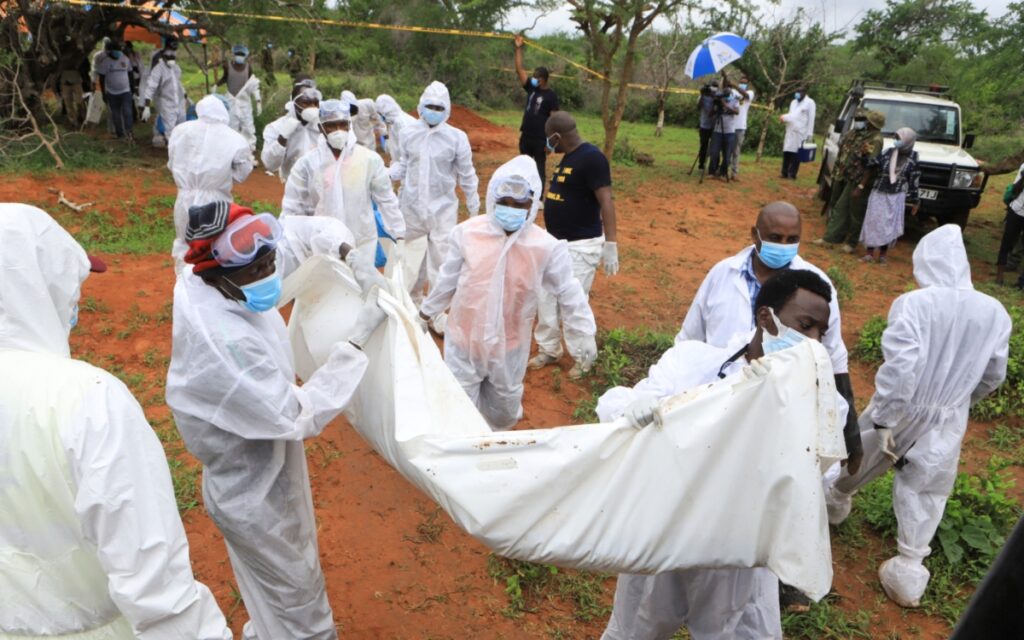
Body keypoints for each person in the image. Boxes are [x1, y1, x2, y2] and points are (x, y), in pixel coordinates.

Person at [0, 204, 232, 639]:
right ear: (38, 285)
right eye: (71, 284)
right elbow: (155, 586)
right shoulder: (85, 398)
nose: (77, 300)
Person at [166, 201, 388, 640]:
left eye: (270, 261)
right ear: (217, 274)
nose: (270, 273)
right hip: (254, 492)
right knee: (299, 600)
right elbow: (295, 414)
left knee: (268, 592)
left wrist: (350, 254)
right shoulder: (224, 341)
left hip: (261, 465)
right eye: (258, 269)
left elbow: (301, 232)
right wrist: (356, 342)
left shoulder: (224, 276)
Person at [599, 269, 841, 640]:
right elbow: (624, 405)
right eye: (805, 326)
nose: (813, 341)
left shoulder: (818, 397)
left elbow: (821, 475)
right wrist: (632, 410)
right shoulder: (694, 364)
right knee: (638, 627)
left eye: (820, 332)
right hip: (667, 527)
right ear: (766, 318)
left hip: (740, 548)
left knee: (740, 629)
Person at [825, 224, 1010, 609]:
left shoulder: (914, 304)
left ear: (925, 262)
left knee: (858, 457)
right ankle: (909, 570)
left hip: (905, 405)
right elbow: (994, 375)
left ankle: (831, 507)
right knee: (928, 483)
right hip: (950, 411)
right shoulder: (995, 312)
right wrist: (959, 401)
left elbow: (902, 367)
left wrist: (886, 418)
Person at [677, 201, 862, 470]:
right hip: (716, 401)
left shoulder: (816, 288)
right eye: (775, 237)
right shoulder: (722, 274)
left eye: (792, 239)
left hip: (782, 409)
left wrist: (850, 432)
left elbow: (833, 358)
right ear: (755, 235)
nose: (783, 245)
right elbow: (689, 340)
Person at [418, 155, 597, 430]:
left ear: (532, 204)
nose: (511, 209)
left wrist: (584, 331)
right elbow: (447, 280)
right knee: (459, 408)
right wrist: (426, 313)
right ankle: (464, 447)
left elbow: (568, 290)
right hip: (465, 339)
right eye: (505, 202)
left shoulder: (545, 247)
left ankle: (495, 441)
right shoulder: (467, 234)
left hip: (509, 345)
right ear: (493, 198)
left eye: (519, 204)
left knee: (503, 410)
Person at [529, 111, 618, 379]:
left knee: (572, 303)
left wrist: (611, 243)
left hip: (581, 245)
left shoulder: (592, 158)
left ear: (557, 136)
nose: (548, 144)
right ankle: (549, 348)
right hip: (556, 244)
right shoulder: (569, 158)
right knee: (546, 298)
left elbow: (606, 200)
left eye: (549, 139)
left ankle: (583, 357)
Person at [282, 99, 405, 265]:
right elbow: (292, 208)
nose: (338, 131)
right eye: (331, 126)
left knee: (360, 280)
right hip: (322, 244)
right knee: (326, 280)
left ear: (349, 125)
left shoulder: (369, 160)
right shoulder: (307, 164)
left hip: (361, 242)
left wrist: (399, 234)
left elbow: (386, 199)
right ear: (321, 128)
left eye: (342, 125)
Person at [390, 80, 480, 304]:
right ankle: (410, 302)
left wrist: (473, 205)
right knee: (410, 259)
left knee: (441, 261)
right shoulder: (408, 133)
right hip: (411, 207)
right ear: (421, 107)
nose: (433, 111)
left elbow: (466, 173)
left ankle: (436, 309)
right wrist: (385, 175)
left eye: (439, 108)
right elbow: (403, 164)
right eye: (429, 106)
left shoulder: (456, 138)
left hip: (442, 209)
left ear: (447, 110)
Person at [167, 94, 253, 267]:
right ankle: (208, 280)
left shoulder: (180, 131)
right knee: (215, 247)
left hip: (184, 197)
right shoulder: (235, 138)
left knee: (184, 245)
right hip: (217, 201)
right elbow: (241, 174)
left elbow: (172, 162)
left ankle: (183, 280)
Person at [817, 108, 886, 252]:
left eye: (868, 121)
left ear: (872, 123)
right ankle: (830, 238)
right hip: (853, 178)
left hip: (861, 182)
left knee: (856, 214)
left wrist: (861, 186)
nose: (865, 122)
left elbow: (870, 166)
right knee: (840, 208)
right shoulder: (866, 135)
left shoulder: (876, 140)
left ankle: (851, 244)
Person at [860, 127, 920, 263]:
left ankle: (882, 255)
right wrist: (864, 155)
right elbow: (871, 164)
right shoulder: (888, 152)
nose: (896, 141)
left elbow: (914, 180)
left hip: (896, 196)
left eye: (899, 139)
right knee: (873, 221)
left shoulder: (914, 158)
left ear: (908, 141)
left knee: (888, 225)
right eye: (896, 138)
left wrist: (915, 200)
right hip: (879, 192)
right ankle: (869, 253)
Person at [513, 34, 559, 187]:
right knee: (524, 168)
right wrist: (518, 48)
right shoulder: (531, 88)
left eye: (536, 77)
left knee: (539, 170)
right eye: (533, 76)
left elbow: (554, 120)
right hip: (526, 136)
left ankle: (538, 197)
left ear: (543, 79)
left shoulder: (551, 96)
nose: (533, 79)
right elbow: (519, 70)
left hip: (540, 140)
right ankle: (524, 193)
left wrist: (551, 143)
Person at [262, 82, 322, 183]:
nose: (312, 107)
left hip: (321, 183)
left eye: (315, 103)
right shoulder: (276, 127)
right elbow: (270, 164)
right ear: (294, 103)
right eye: (306, 103)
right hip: (293, 184)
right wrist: (282, 138)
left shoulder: (324, 126)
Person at [217, 43, 262, 155]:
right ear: (234, 54)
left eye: (242, 55)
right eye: (238, 54)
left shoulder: (248, 68)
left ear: (245, 56)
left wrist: (258, 100)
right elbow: (225, 78)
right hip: (231, 100)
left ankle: (249, 151)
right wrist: (216, 85)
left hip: (244, 102)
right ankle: (232, 151)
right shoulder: (227, 66)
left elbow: (253, 84)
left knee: (248, 126)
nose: (239, 57)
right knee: (232, 126)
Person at [142, 43, 186, 148]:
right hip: (166, 104)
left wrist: (184, 94)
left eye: (173, 57)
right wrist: (147, 106)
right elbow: (151, 87)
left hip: (179, 102)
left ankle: (182, 149)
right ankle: (173, 151)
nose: (171, 59)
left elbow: (178, 82)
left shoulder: (176, 67)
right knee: (170, 130)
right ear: (164, 57)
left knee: (182, 127)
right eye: (169, 57)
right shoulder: (158, 69)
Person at [95, 39, 134, 140]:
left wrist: (133, 89)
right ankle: (120, 133)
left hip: (126, 91)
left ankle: (129, 132)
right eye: (115, 50)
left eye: (119, 50)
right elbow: (102, 78)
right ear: (110, 51)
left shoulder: (125, 59)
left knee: (127, 112)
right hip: (112, 93)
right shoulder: (105, 62)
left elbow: (130, 74)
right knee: (115, 114)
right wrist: (103, 93)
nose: (118, 52)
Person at [995, 162, 1024, 286]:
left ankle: (1020, 282)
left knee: (1008, 243)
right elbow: (1015, 187)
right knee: (1007, 243)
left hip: (1016, 209)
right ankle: (999, 276)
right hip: (1016, 210)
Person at [707, 79, 741, 180]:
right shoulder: (719, 97)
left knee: (727, 155)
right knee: (714, 152)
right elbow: (710, 114)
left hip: (729, 130)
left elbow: (737, 112)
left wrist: (726, 106)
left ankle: (723, 173)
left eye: (728, 86)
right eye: (725, 86)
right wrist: (715, 105)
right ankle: (712, 171)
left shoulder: (735, 98)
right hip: (717, 129)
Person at [780, 86, 815, 179]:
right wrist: (784, 118)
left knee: (796, 153)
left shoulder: (810, 103)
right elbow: (791, 115)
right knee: (787, 151)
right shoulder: (793, 102)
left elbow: (811, 119)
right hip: (790, 130)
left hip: (800, 132)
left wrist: (809, 134)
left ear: (804, 93)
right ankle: (784, 172)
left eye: (799, 92)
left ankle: (792, 174)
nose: (797, 94)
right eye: (796, 92)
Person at [375, 93, 417, 164]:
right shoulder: (393, 123)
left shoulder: (401, 123)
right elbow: (392, 149)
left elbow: (410, 153)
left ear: (386, 110)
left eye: (379, 113)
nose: (379, 116)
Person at [730, 75, 755, 180]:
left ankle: (734, 173)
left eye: (744, 83)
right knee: (727, 149)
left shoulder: (750, 93)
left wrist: (735, 86)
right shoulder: (733, 92)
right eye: (741, 82)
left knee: (736, 151)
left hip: (740, 127)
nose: (742, 84)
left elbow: (745, 95)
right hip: (730, 125)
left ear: (747, 84)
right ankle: (722, 170)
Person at [58, 57, 86, 128]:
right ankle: (73, 121)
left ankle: (82, 117)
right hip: (65, 83)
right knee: (68, 103)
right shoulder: (61, 58)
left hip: (76, 82)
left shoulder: (78, 58)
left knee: (79, 101)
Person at [695, 85, 715, 173]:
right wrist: (702, 95)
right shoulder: (702, 97)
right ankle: (701, 164)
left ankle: (713, 166)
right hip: (704, 126)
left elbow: (715, 110)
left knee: (714, 147)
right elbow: (698, 107)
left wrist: (714, 97)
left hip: (714, 126)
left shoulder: (716, 97)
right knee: (703, 146)